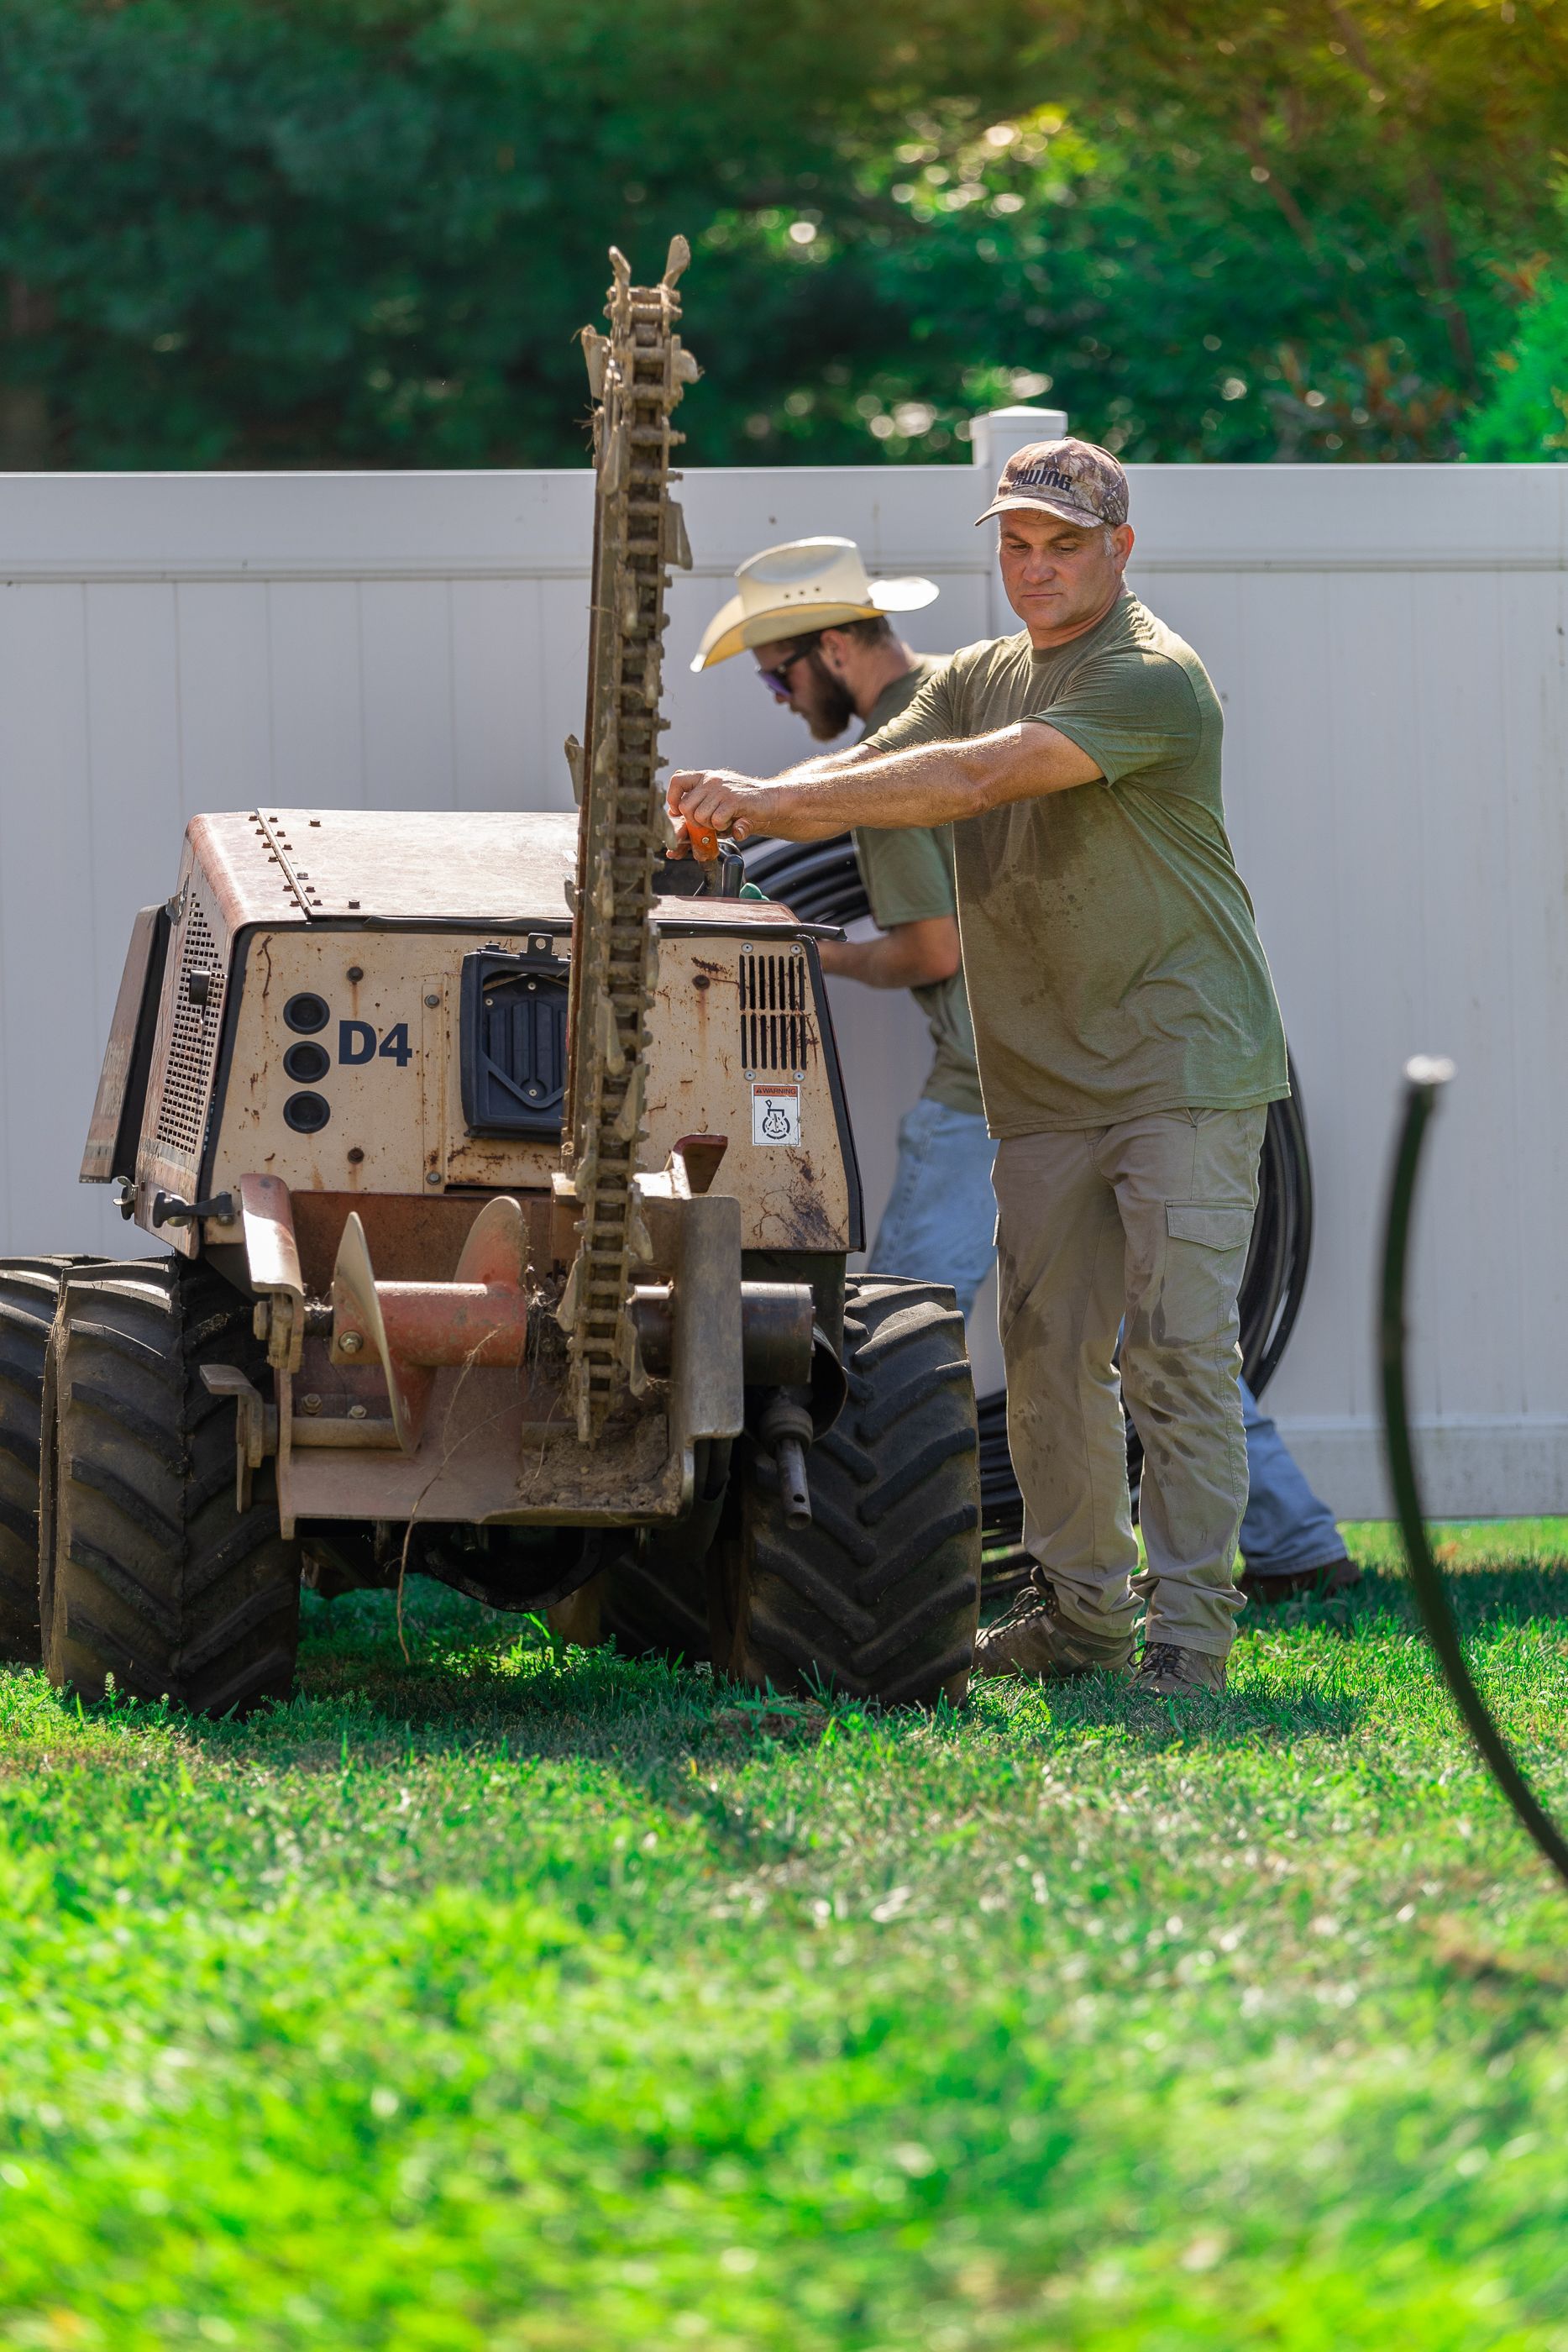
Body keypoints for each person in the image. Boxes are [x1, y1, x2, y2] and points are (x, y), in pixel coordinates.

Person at [672, 439, 1311, 1695]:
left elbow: (972, 778)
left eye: (1062, 545)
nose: (1034, 567)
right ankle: (1078, 1620)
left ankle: (1187, 1638)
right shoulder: (977, 674)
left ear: (1118, 551)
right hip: (1042, 1085)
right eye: (1014, 544)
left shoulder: (1151, 679)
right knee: (1045, 1358)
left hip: (1180, 1065)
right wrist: (735, 802)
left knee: (1175, 1352)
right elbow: (865, 768)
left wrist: (765, 802)